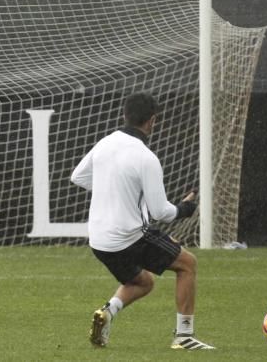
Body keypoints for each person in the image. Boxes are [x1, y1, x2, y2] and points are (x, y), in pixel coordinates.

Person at [71, 92, 212, 350]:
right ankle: (184, 337)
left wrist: (114, 188)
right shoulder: (146, 158)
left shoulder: (105, 143)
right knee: (188, 264)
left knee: (143, 282)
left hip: (100, 242)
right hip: (128, 237)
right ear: (152, 121)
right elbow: (160, 212)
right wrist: (184, 208)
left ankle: (107, 313)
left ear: (125, 115)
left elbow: (77, 177)